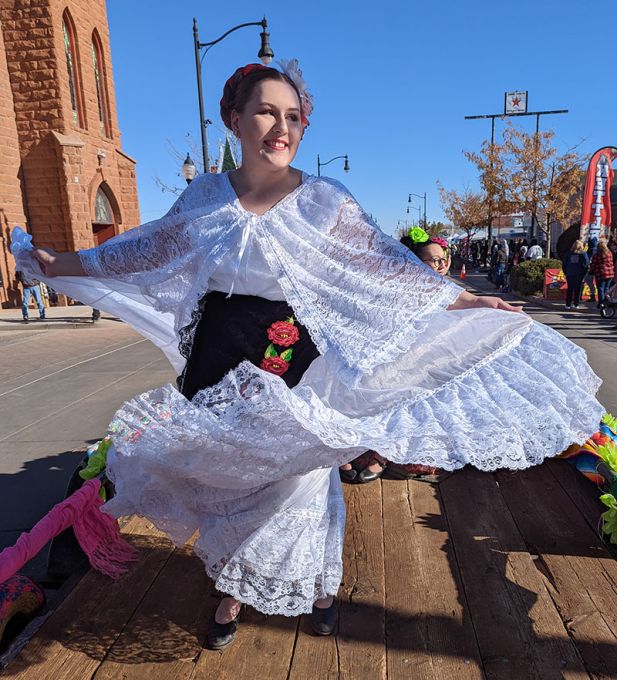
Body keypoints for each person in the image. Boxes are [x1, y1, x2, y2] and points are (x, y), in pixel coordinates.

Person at [11, 61, 603, 651]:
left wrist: (465, 298)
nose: (281, 127)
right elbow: (140, 252)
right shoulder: (205, 194)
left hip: (291, 354)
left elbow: (387, 266)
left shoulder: (323, 200)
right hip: (220, 360)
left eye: (293, 116)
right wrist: (60, 264)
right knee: (228, 480)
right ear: (233, 119)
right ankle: (240, 582)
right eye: (267, 111)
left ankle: (299, 589)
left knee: (297, 478)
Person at [339, 227, 451, 484]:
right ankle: (368, 451)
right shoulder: (396, 290)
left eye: (443, 258)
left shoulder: (447, 290)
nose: (441, 264)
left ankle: (385, 455)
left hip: (431, 364)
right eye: (433, 260)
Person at [562, 239, 589, 309]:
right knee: (578, 289)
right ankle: (576, 304)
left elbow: (564, 264)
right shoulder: (583, 253)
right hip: (579, 274)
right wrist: (584, 273)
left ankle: (568, 304)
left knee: (570, 289)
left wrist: (565, 272)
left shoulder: (568, 253)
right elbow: (586, 264)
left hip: (570, 273)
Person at [589, 239, 615, 307]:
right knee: (606, 289)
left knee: (600, 288)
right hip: (610, 273)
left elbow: (593, 264)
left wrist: (591, 271)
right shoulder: (609, 253)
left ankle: (601, 303)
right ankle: (607, 302)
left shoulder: (597, 255)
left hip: (601, 273)